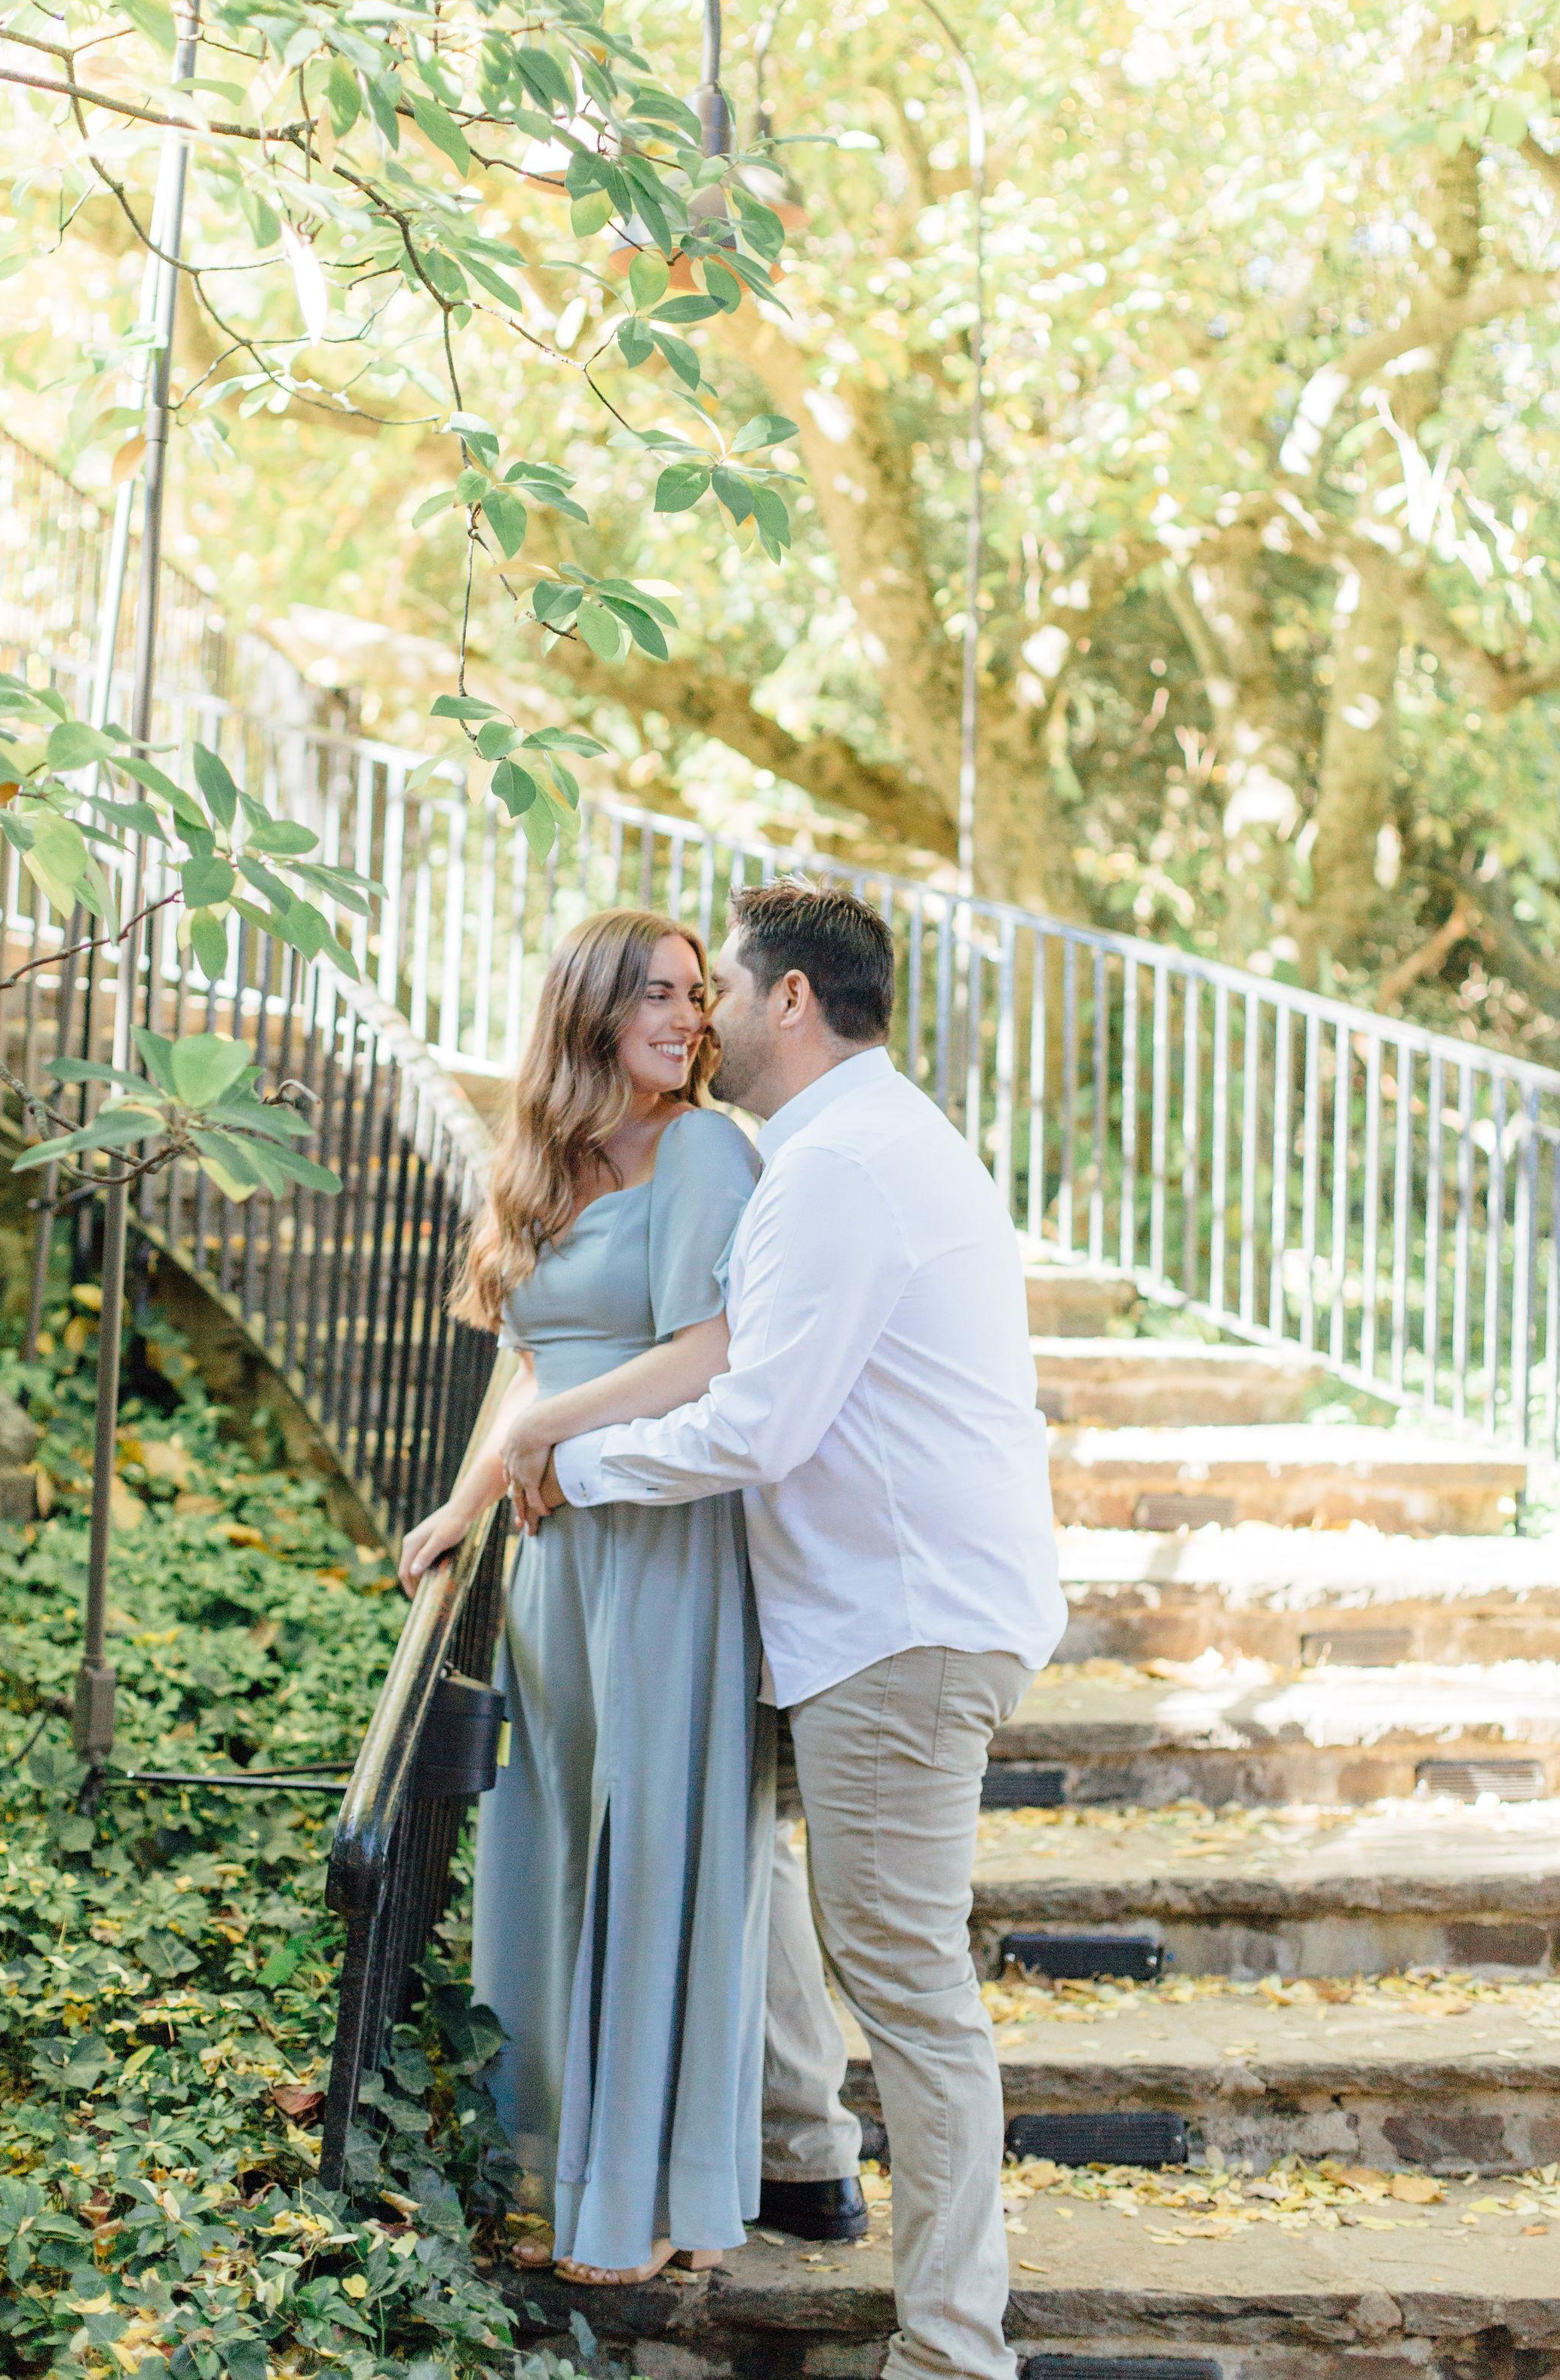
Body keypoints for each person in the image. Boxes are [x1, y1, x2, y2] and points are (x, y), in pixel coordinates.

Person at [507, 884, 1068, 2380]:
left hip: (903, 1625)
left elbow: (758, 1420)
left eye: (726, 991)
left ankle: (955, 2343)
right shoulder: (860, 1144)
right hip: (866, 1610)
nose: (705, 1021)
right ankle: (805, 2152)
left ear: (793, 1002)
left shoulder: (837, 1171)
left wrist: (574, 1463)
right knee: (729, 1830)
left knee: (905, 1980)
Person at [400, 907, 842, 2285]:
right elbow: (527, 1366)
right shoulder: (545, 1169)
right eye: (658, 993)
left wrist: (554, 1437)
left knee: (655, 1851)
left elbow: (711, 1351)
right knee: (558, 1846)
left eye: (701, 996)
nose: (689, 1018)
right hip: (555, 1559)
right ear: (589, 1008)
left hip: (658, 1539)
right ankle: (551, 2165)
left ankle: (649, 2193)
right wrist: (467, 1505)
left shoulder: (706, 1146)